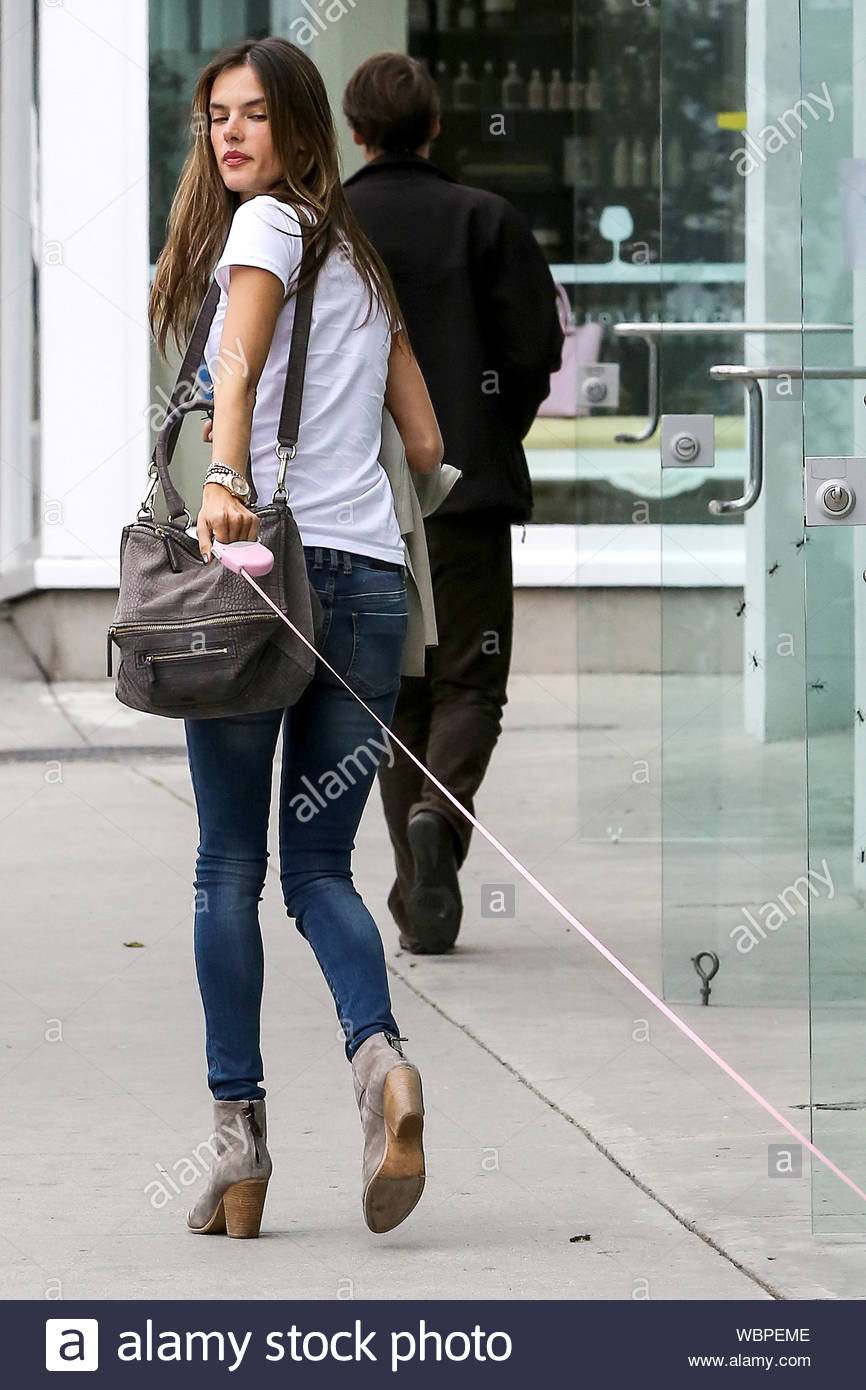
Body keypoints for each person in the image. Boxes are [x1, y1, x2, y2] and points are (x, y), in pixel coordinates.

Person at [148, 37, 444, 1240]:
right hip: (369, 583)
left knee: (229, 866)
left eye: (254, 117)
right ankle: (382, 1069)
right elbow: (423, 445)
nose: (230, 137)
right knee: (320, 866)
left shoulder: (264, 231)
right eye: (217, 117)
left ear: (303, 132)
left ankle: (239, 1145)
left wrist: (228, 471)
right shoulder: (366, 268)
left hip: (263, 577)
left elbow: (239, 353)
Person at [342, 53, 564, 956]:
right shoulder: (487, 219)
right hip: (465, 493)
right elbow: (534, 351)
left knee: (398, 693)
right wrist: (484, 433)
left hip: (361, 497)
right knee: (472, 682)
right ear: (434, 127)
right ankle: (438, 825)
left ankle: (416, 881)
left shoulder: (329, 224)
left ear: (354, 131)